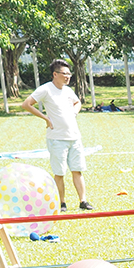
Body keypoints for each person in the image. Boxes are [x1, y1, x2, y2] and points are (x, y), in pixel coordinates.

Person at [22, 58, 92, 211]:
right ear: (55, 74)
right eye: (64, 73)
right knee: (59, 172)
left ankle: (83, 201)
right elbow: (26, 104)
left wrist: (74, 112)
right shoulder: (45, 89)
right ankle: (62, 203)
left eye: (69, 74)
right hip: (56, 138)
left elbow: (77, 102)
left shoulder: (67, 90)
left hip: (74, 137)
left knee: (77, 170)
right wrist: (45, 118)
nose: (67, 76)